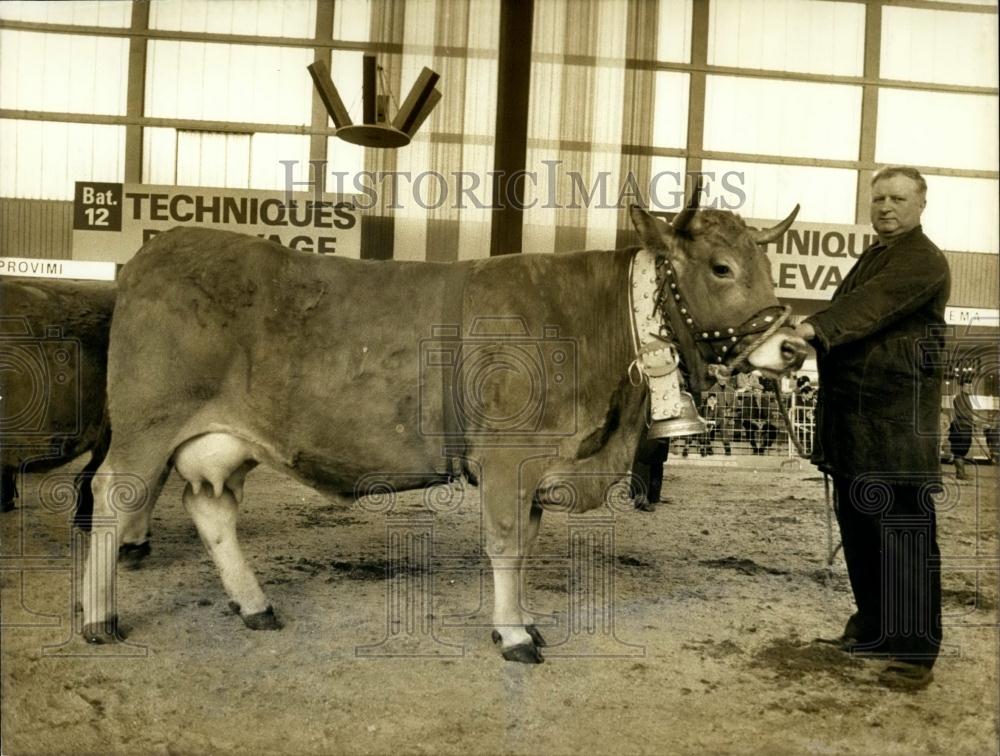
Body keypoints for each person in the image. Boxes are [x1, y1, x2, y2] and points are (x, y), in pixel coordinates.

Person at [794, 166, 949, 690]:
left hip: (897, 431)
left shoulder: (922, 261)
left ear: (920, 204)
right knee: (862, 533)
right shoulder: (875, 256)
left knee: (904, 536)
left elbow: (867, 308)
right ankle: (873, 630)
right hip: (856, 428)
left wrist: (814, 328)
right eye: (878, 198)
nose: (885, 207)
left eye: (897, 198)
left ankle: (913, 652)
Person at [948, 379, 975, 481]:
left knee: (962, 451)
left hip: (965, 428)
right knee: (959, 451)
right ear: (962, 387)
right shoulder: (959, 398)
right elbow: (961, 414)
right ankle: (960, 474)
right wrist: (972, 420)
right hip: (960, 429)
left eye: (971, 387)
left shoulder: (966, 398)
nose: (970, 388)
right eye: (968, 386)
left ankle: (961, 473)